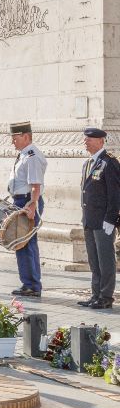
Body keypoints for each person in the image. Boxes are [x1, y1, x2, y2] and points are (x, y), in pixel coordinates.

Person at [79, 127, 120, 309]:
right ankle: (95, 294)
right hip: (89, 220)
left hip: (104, 221)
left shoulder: (109, 163)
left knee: (106, 260)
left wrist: (111, 219)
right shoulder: (88, 163)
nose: (86, 141)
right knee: (94, 261)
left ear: (101, 141)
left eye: (90, 139)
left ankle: (106, 297)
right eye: (86, 139)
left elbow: (115, 194)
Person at [6, 121, 46, 297]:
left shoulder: (32, 156)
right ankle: (28, 282)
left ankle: (32, 284)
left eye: (15, 138)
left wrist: (32, 205)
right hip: (21, 201)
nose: (13, 141)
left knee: (26, 244)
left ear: (26, 136)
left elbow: (36, 185)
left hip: (27, 201)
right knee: (22, 244)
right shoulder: (24, 154)